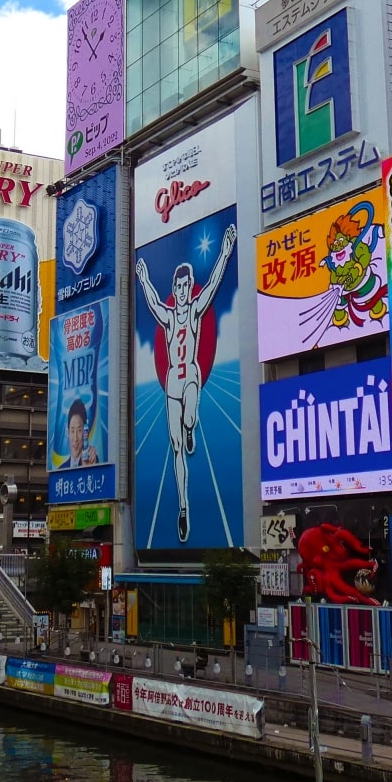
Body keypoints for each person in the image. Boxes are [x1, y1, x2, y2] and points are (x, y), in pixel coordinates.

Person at [135, 221, 238, 543]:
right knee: (176, 447)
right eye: (178, 287)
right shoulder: (168, 316)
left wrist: (225, 250)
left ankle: (191, 426)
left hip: (191, 375)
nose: (181, 292)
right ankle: (183, 506)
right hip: (172, 383)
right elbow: (152, 302)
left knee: (190, 418)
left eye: (185, 286)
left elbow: (215, 282)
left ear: (189, 286)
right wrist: (143, 278)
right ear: (174, 288)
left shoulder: (194, 311)